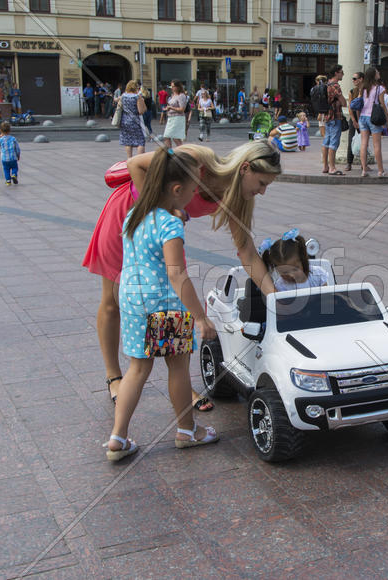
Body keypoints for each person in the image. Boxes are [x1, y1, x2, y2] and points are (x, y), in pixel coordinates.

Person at [82, 142, 283, 407]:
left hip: (161, 235)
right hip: (128, 217)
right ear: (245, 168)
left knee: (173, 305)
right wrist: (161, 211)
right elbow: (135, 164)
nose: (263, 191)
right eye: (262, 183)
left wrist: (276, 299)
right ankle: (114, 377)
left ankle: (180, 386)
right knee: (112, 300)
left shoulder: (237, 199)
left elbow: (247, 253)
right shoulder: (197, 159)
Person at [107, 148, 219, 460]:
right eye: (193, 190)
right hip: (166, 304)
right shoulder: (170, 225)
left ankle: (117, 437)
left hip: (133, 300)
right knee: (178, 367)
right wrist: (200, 318)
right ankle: (187, 430)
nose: (195, 195)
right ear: (177, 189)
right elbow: (176, 273)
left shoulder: (134, 215)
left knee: (137, 369)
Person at [259, 231, 331, 292]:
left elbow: (327, 297)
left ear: (302, 260)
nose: (291, 275)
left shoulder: (317, 275)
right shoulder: (280, 287)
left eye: (295, 269)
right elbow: (282, 304)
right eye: (285, 272)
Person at [358, 67, 388, 178]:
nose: (379, 73)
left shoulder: (363, 87)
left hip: (362, 117)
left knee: (363, 144)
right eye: (377, 72)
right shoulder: (379, 88)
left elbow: (359, 102)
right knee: (377, 145)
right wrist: (387, 120)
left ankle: (364, 170)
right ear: (374, 75)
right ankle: (381, 171)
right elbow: (382, 105)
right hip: (374, 117)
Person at [321, 64, 346, 176]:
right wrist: (343, 101)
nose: (343, 74)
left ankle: (325, 166)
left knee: (326, 141)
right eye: (341, 72)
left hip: (327, 116)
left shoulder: (327, 84)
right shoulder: (335, 86)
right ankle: (332, 167)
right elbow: (344, 102)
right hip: (335, 116)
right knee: (334, 142)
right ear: (336, 73)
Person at [118, 80, 146, 158]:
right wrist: (144, 106)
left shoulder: (123, 96)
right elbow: (140, 111)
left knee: (128, 141)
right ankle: (139, 160)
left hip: (124, 120)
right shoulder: (137, 97)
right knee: (140, 141)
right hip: (135, 121)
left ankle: (129, 159)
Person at [344, 72, 363, 172]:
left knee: (364, 142)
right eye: (353, 79)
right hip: (354, 118)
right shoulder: (352, 91)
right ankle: (349, 162)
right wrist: (354, 120)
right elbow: (350, 107)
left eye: (355, 79)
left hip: (364, 118)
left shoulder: (366, 91)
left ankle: (363, 164)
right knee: (351, 139)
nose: (353, 80)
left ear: (361, 79)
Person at [0, 120, 21, 185]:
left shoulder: (1, 139)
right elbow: (17, 148)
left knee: (6, 170)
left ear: (0, 131)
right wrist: (18, 155)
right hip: (13, 158)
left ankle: (8, 181)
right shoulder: (13, 138)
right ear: (10, 130)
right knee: (15, 167)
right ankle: (14, 174)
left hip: (5, 159)